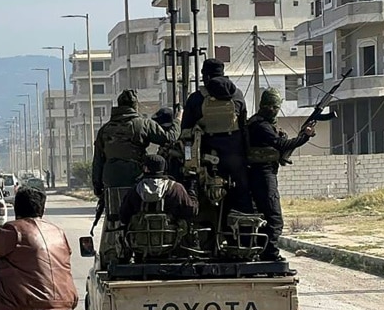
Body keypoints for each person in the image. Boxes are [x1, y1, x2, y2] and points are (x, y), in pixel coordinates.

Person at [246, 88, 314, 262]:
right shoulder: (261, 126)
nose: (275, 110)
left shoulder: (257, 123)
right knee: (275, 219)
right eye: (275, 107)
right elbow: (281, 144)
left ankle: (263, 253)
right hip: (263, 175)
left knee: (265, 218)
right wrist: (304, 137)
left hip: (260, 174)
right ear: (270, 106)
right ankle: (270, 255)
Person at [180, 58, 252, 212]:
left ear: (205, 76)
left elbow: (185, 132)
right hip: (235, 155)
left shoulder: (196, 98)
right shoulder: (237, 94)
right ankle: (246, 228)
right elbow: (244, 125)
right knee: (242, 193)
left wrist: (187, 158)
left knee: (192, 187)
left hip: (206, 157)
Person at [92, 90, 178, 211]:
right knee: (140, 211)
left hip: (111, 179)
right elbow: (170, 138)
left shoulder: (104, 129)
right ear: (135, 106)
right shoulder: (143, 124)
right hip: (136, 178)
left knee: (113, 214)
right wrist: (178, 120)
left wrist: (97, 187)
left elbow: (98, 161)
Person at [118, 155, 198, 229]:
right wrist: (192, 192)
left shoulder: (135, 190)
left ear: (146, 168)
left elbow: (124, 217)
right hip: (170, 240)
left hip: (139, 240)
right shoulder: (176, 188)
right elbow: (191, 211)